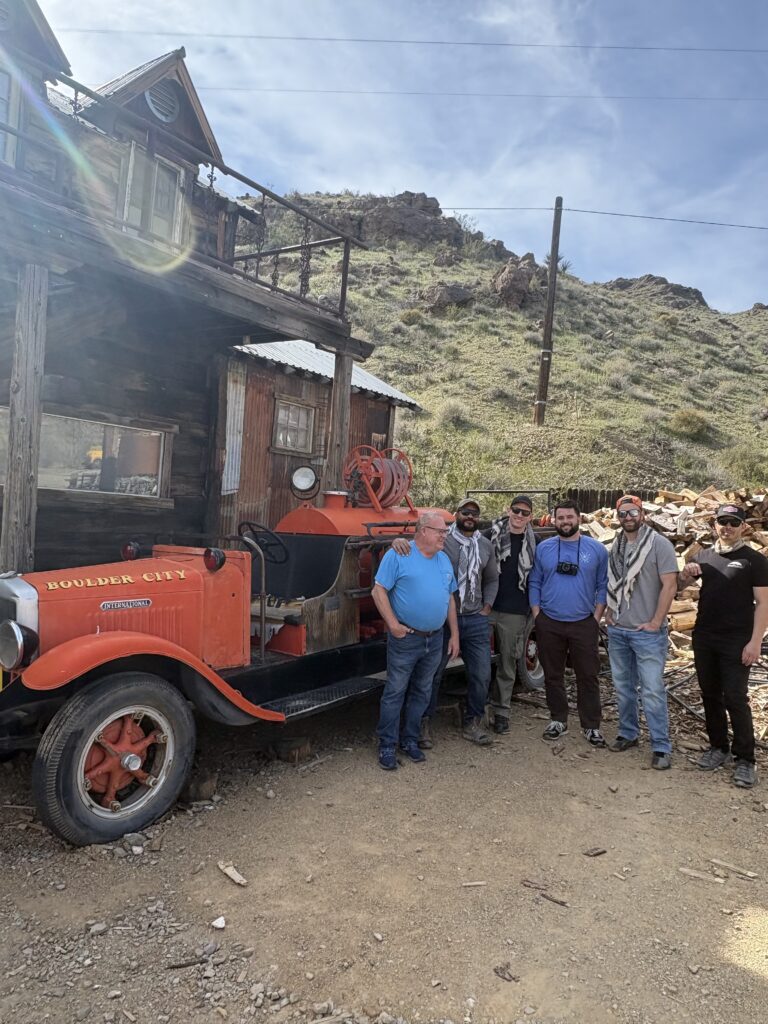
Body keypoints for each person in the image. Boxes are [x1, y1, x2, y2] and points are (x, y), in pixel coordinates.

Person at [392, 497, 499, 746]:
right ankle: (423, 723)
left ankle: (472, 720)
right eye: (465, 512)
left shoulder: (485, 546)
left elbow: (492, 578)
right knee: (431, 674)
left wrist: (487, 607)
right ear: (456, 514)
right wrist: (396, 541)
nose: (470, 516)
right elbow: (415, 547)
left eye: (474, 512)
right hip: (442, 619)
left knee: (482, 673)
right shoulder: (442, 539)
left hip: (475, 618)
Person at [679, 503, 768, 788]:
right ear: (714, 525)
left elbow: (764, 603)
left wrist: (755, 642)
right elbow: (683, 587)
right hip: (705, 636)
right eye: (722, 522)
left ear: (743, 525)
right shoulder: (704, 555)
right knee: (710, 694)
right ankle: (718, 747)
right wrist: (686, 576)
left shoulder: (754, 560)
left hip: (736, 640)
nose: (727, 527)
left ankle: (746, 760)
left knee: (735, 697)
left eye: (733, 522)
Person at [372, 511, 460, 771]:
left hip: (434, 640)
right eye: (440, 531)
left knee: (422, 691)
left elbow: (450, 599)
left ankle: (410, 740)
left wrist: (454, 634)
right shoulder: (398, 555)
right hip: (406, 639)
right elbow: (378, 590)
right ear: (423, 531)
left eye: (445, 531)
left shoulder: (443, 559)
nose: (444, 536)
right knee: (395, 692)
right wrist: (393, 625)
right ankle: (387, 744)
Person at [605, 495, 678, 769]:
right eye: (623, 514)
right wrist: (610, 613)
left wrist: (657, 622)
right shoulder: (617, 545)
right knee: (623, 688)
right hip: (619, 630)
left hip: (647, 632)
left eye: (632, 512)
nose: (627, 518)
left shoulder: (659, 545)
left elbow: (670, 585)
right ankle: (628, 733)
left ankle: (661, 745)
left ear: (642, 513)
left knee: (652, 690)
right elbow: (614, 583)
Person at [529, 499, 609, 746]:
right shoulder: (545, 548)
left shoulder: (596, 549)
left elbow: (603, 585)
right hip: (549, 621)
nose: (565, 522)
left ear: (579, 518)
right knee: (553, 675)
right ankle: (558, 720)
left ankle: (591, 725)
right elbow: (535, 581)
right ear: (554, 521)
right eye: (560, 518)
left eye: (569, 517)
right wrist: (537, 615)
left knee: (588, 675)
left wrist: (596, 617)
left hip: (583, 622)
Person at [487, 494, 537, 734]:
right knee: (477, 663)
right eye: (516, 510)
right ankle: (477, 709)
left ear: (530, 517)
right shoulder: (490, 535)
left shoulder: (534, 543)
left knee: (508, 664)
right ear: (508, 510)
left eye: (524, 513)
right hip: (487, 607)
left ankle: (501, 712)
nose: (519, 515)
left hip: (515, 611)